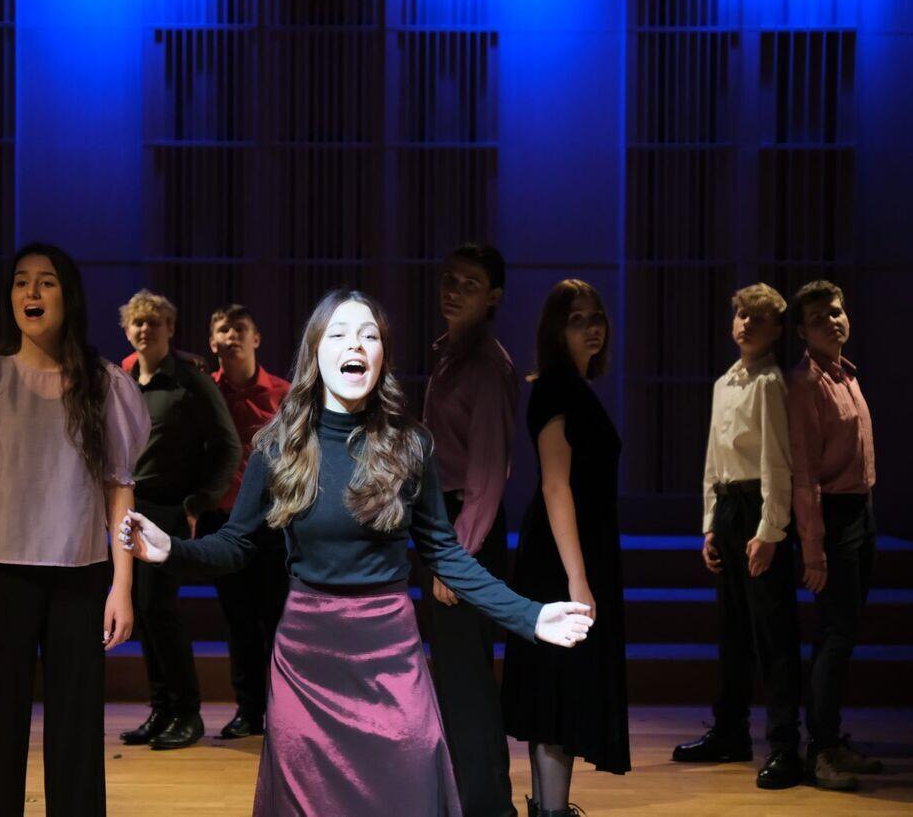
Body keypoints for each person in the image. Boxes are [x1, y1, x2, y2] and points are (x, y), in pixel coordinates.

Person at [119, 289, 594, 817]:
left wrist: (531, 615)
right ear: (315, 352)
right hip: (307, 657)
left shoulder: (410, 445)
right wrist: (172, 550)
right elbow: (236, 543)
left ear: (382, 355)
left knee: (409, 788)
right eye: (340, 334)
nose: (357, 345)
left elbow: (446, 554)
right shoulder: (278, 446)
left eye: (369, 336)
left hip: (389, 651)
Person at [0, 243, 149, 816]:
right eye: (21, 281)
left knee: (77, 737)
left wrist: (122, 585)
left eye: (46, 281)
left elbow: (119, 486)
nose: (31, 292)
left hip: (80, 576)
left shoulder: (103, 383)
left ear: (67, 295)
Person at [501, 279, 630, 817]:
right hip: (561, 555)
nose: (592, 327)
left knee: (558, 692)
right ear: (556, 329)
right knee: (557, 691)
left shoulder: (574, 388)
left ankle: (548, 809)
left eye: (596, 317)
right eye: (577, 319)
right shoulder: (556, 387)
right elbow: (556, 485)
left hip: (577, 547)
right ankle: (551, 812)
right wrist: (578, 579)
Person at [672, 283, 802, 790]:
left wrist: (770, 530)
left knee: (772, 632)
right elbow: (714, 460)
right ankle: (730, 731)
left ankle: (785, 744)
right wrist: (710, 525)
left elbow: (777, 463)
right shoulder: (724, 383)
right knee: (731, 631)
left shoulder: (770, 383)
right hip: (729, 509)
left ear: (777, 330)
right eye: (742, 315)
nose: (746, 324)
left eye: (758, 318)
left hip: (757, 510)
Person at [420, 242, 520, 817]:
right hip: (446, 523)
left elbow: (486, 471)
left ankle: (487, 808)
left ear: (494, 297)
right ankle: (467, 801)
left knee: (469, 683)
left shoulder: (485, 364)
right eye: (450, 280)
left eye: (470, 284)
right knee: (455, 679)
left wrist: (455, 558)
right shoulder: (452, 354)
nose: (454, 291)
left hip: (465, 532)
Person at [118, 289, 241, 750]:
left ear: (170, 328)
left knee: (160, 609)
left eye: (154, 322)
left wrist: (198, 502)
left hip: (169, 508)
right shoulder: (124, 379)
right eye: (137, 322)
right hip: (130, 505)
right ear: (127, 330)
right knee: (144, 612)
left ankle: (187, 712)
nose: (145, 329)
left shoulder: (191, 380)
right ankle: (162, 709)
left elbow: (228, 446)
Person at [786, 280, 881, 791]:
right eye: (819, 318)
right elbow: (805, 475)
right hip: (834, 517)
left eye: (837, 312)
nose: (832, 321)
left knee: (844, 634)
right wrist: (814, 550)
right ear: (803, 331)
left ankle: (832, 738)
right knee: (835, 634)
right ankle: (820, 749)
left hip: (862, 512)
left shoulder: (847, 375)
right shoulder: (806, 384)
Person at [202, 303, 291, 739]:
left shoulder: (284, 394)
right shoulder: (204, 392)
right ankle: (249, 711)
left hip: (273, 525)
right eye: (224, 328)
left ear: (256, 339)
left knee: (278, 622)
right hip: (222, 523)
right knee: (237, 621)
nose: (232, 335)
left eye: (241, 328)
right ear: (212, 342)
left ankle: (286, 712)